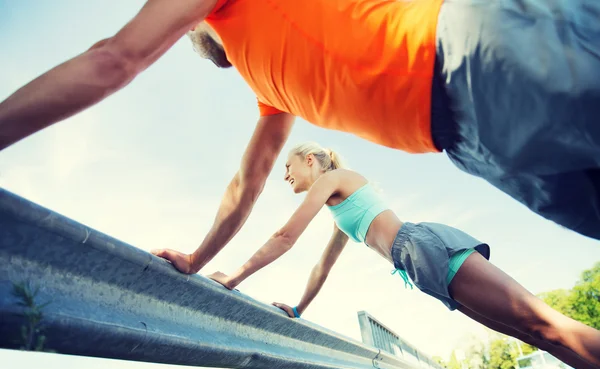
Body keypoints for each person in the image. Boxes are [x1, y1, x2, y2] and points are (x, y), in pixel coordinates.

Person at [1, 0, 599, 283]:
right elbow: (246, 184)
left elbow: (114, 59)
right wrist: (196, 259)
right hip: (467, 140)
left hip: (466, 52)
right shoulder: (270, 94)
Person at [203, 142, 600, 369]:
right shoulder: (342, 213)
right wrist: (297, 307)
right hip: (417, 264)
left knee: (546, 325)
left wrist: (234, 277)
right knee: (534, 335)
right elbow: (322, 267)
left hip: (422, 247)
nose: (284, 176)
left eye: (287, 167)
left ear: (311, 160)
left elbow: (285, 237)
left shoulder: (334, 179)